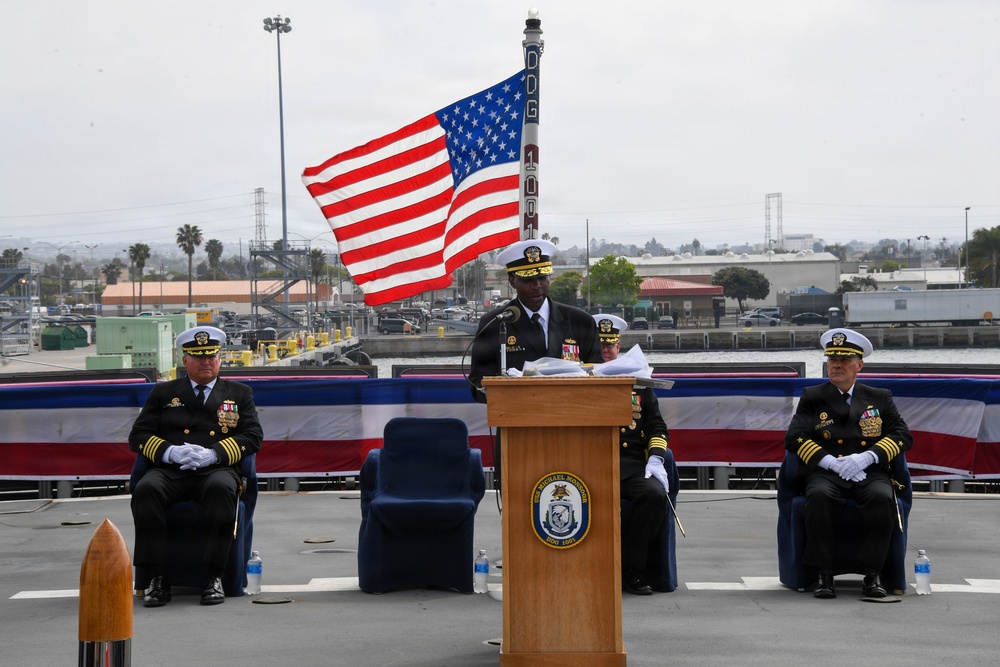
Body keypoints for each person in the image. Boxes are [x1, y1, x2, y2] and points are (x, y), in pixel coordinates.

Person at [129, 326, 263, 607]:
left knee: (222, 489)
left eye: (211, 356)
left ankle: (214, 576)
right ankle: (158, 577)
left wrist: (214, 454)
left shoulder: (239, 393)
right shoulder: (163, 392)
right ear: (185, 360)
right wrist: (170, 452)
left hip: (215, 469)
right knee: (146, 490)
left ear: (219, 359)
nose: (206, 362)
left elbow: (252, 436)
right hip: (171, 470)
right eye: (198, 357)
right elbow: (138, 436)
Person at [784, 328, 912, 599]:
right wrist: (830, 462)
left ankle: (873, 573)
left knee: (881, 497)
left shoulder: (879, 397)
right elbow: (794, 437)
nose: (836, 365)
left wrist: (869, 456)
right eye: (832, 360)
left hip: (868, 471)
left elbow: (902, 435)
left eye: (844, 360)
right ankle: (824, 574)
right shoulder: (813, 396)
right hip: (827, 472)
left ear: (860, 364)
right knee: (818, 497)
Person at [594, 314, 675, 595]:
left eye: (610, 346)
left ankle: (631, 568)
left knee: (653, 495)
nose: (606, 351)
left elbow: (657, 425)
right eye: (600, 346)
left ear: (619, 347)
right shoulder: (578, 381)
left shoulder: (639, 383)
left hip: (631, 466)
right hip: (591, 464)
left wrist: (655, 458)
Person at [469, 239, 602, 401]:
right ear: (512, 281)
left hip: (571, 416)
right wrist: (505, 388)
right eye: (527, 279)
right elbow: (477, 383)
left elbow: (599, 376)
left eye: (542, 277)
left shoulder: (581, 322)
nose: (537, 285)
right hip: (517, 417)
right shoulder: (494, 323)